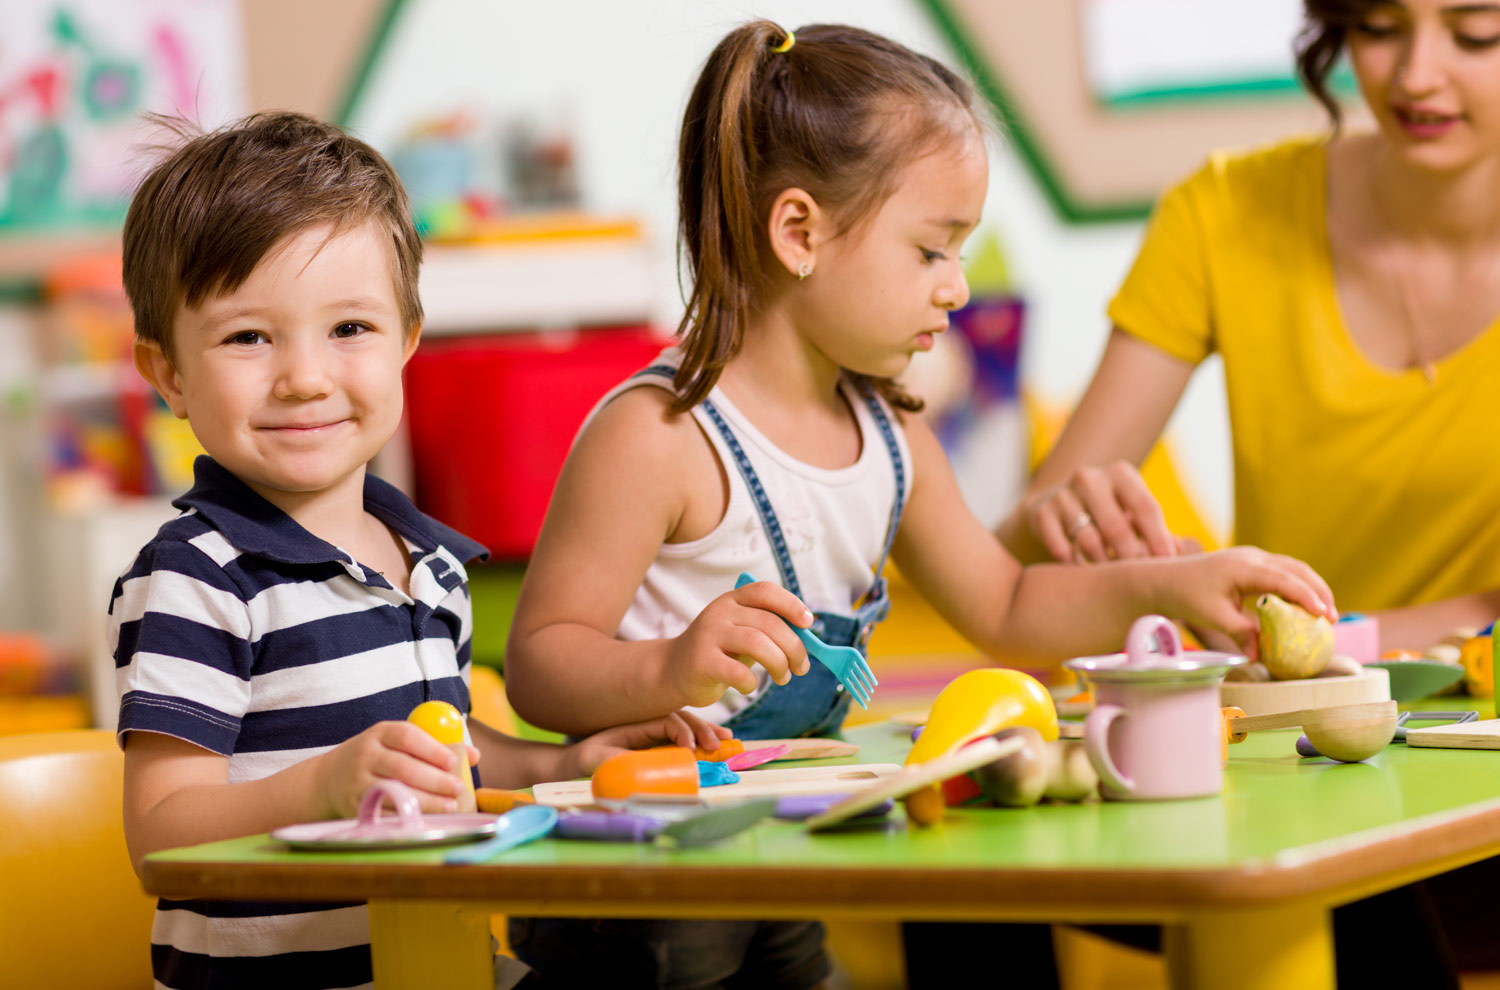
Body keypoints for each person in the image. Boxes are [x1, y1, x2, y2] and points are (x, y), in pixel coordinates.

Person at [501, 21, 1336, 989]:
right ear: (800, 233)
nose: (959, 286)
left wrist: (1187, 583)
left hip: (781, 862)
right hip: (641, 882)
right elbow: (538, 665)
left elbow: (1010, 609)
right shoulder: (660, 435)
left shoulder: (893, 443)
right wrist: (669, 666)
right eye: (934, 250)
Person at [112, 111, 727, 990]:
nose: (306, 376)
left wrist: (561, 765)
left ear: (406, 342)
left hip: (439, 960)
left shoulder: (424, 559)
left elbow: (444, 748)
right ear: (169, 371)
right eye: (249, 336)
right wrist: (327, 788)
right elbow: (160, 835)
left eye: (350, 330)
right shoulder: (195, 578)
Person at [998, 0, 1500, 653]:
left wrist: (1310, 642)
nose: (1416, 76)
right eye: (1379, 27)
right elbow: (1013, 570)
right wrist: (1075, 524)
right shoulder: (1224, 212)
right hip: (1280, 731)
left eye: (1474, 34)